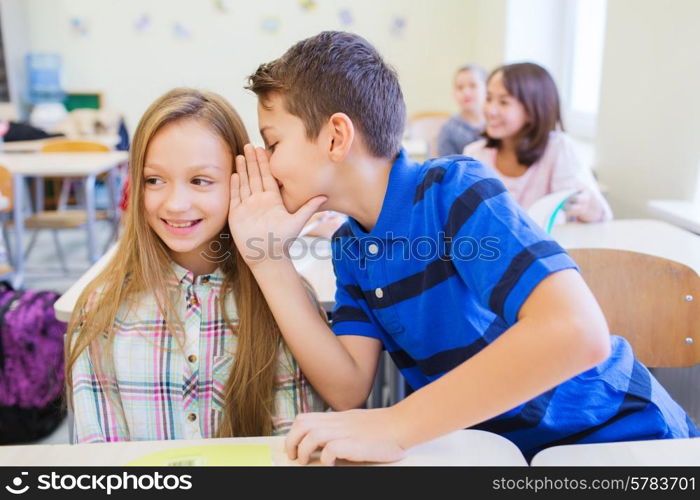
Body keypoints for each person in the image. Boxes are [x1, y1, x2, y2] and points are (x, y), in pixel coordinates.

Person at [229, 31, 697, 464]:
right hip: (506, 455)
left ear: (336, 136)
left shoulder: (453, 190)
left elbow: (578, 331)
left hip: (621, 439)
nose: (265, 164)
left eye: (272, 144)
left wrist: (397, 423)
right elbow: (348, 385)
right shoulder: (350, 246)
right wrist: (268, 262)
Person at [65, 88, 325, 443]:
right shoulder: (99, 311)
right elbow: (101, 459)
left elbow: (292, 449)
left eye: (200, 181)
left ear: (241, 182)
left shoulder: (282, 304)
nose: (176, 203)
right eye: (154, 180)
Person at [464, 62, 612, 222]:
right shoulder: (474, 155)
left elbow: (602, 218)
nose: (490, 110)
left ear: (532, 109)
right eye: (488, 98)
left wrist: (584, 205)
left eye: (503, 102)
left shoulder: (558, 148)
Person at [437, 64, 486, 156]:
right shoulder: (449, 129)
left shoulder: (495, 125)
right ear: (454, 93)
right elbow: (447, 165)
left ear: (487, 89)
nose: (466, 92)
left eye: (473, 85)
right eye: (460, 87)